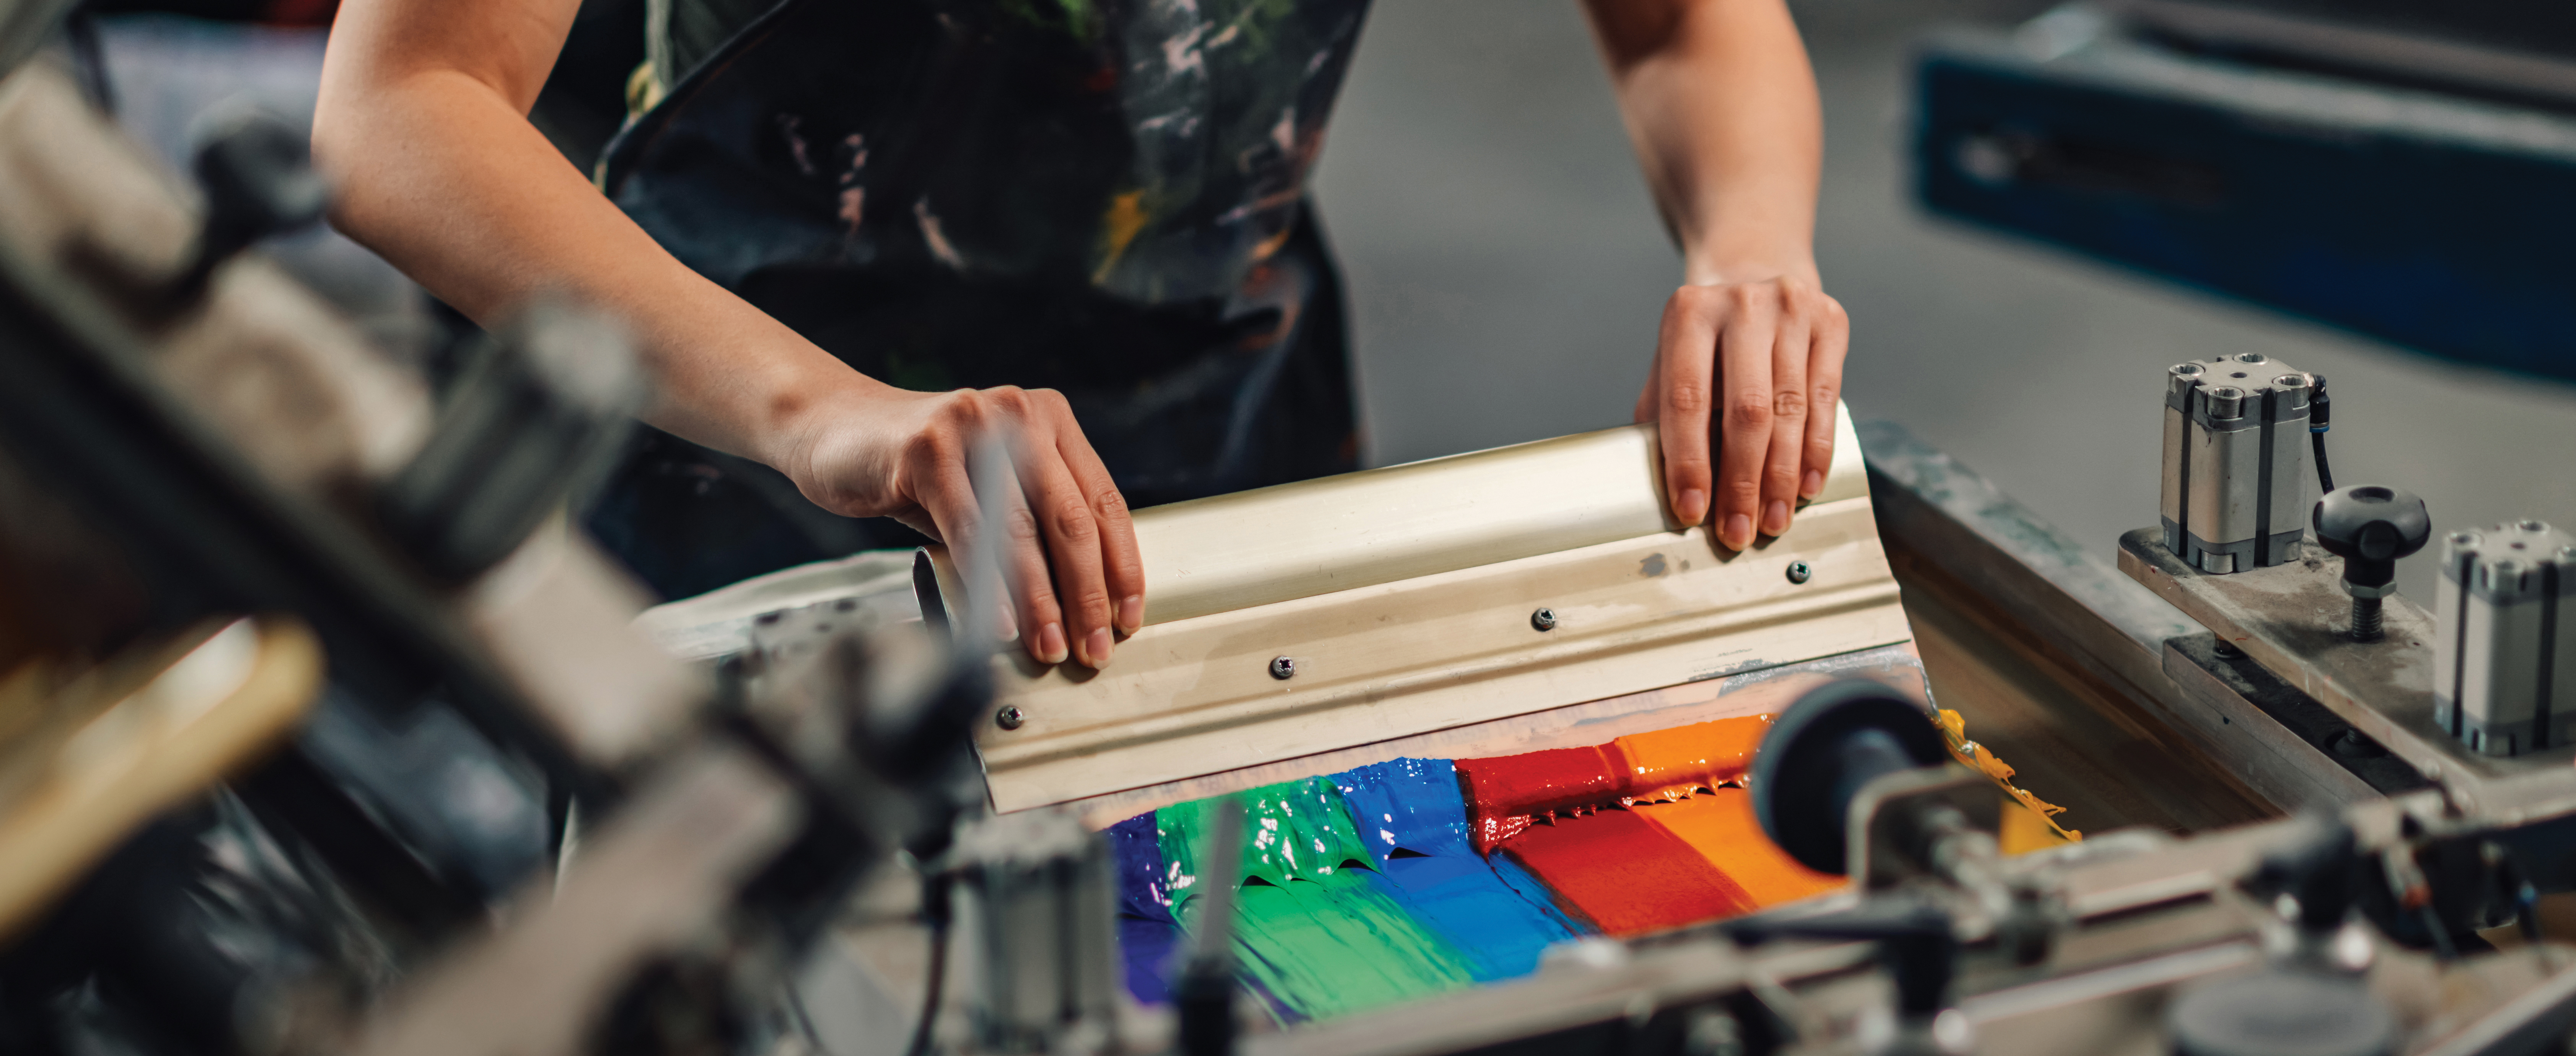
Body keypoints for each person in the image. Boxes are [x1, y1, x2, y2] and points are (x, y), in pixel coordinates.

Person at [314, 0, 1851, 673]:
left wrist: (1751, 247)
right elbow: (402, 110)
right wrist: (823, 412)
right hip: (755, 459)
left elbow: (1681, 22)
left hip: (1224, 445)